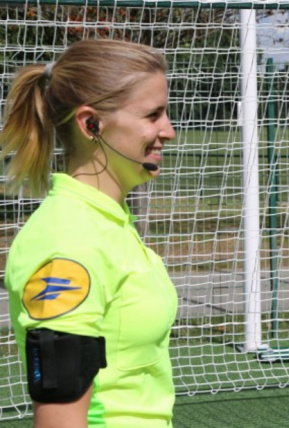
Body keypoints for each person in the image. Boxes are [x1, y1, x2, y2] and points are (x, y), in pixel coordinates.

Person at [1, 39, 178, 427]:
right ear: (90, 124)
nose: (169, 131)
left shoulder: (108, 220)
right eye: (153, 115)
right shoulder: (67, 240)